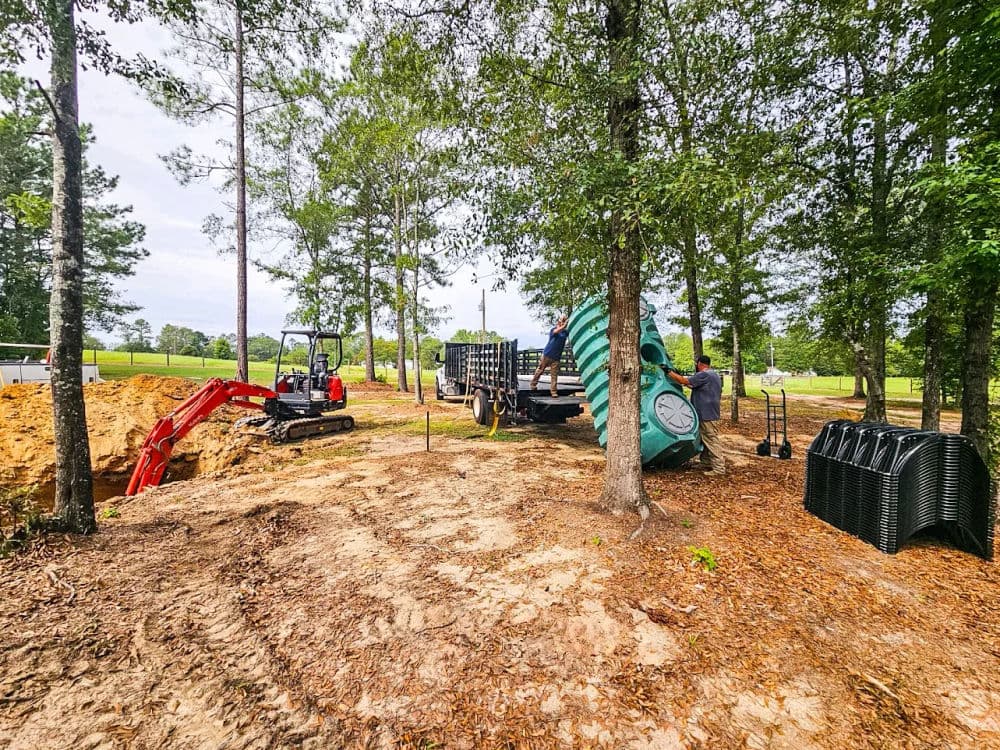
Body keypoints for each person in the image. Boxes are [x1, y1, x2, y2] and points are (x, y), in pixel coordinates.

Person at [666, 355, 726, 475]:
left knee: (711, 439)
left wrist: (668, 372)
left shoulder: (703, 374)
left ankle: (719, 468)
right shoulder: (714, 375)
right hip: (711, 412)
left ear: (699, 363)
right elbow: (692, 385)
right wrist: (678, 377)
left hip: (706, 413)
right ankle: (705, 462)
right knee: (704, 438)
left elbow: (685, 381)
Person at [530, 314, 569, 398]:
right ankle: (533, 384)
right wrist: (563, 325)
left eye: (564, 321)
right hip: (547, 355)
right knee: (540, 370)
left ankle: (553, 392)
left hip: (556, 358)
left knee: (554, 376)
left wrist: (566, 324)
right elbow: (556, 331)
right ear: (559, 322)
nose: (563, 323)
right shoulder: (553, 330)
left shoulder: (565, 332)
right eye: (562, 321)